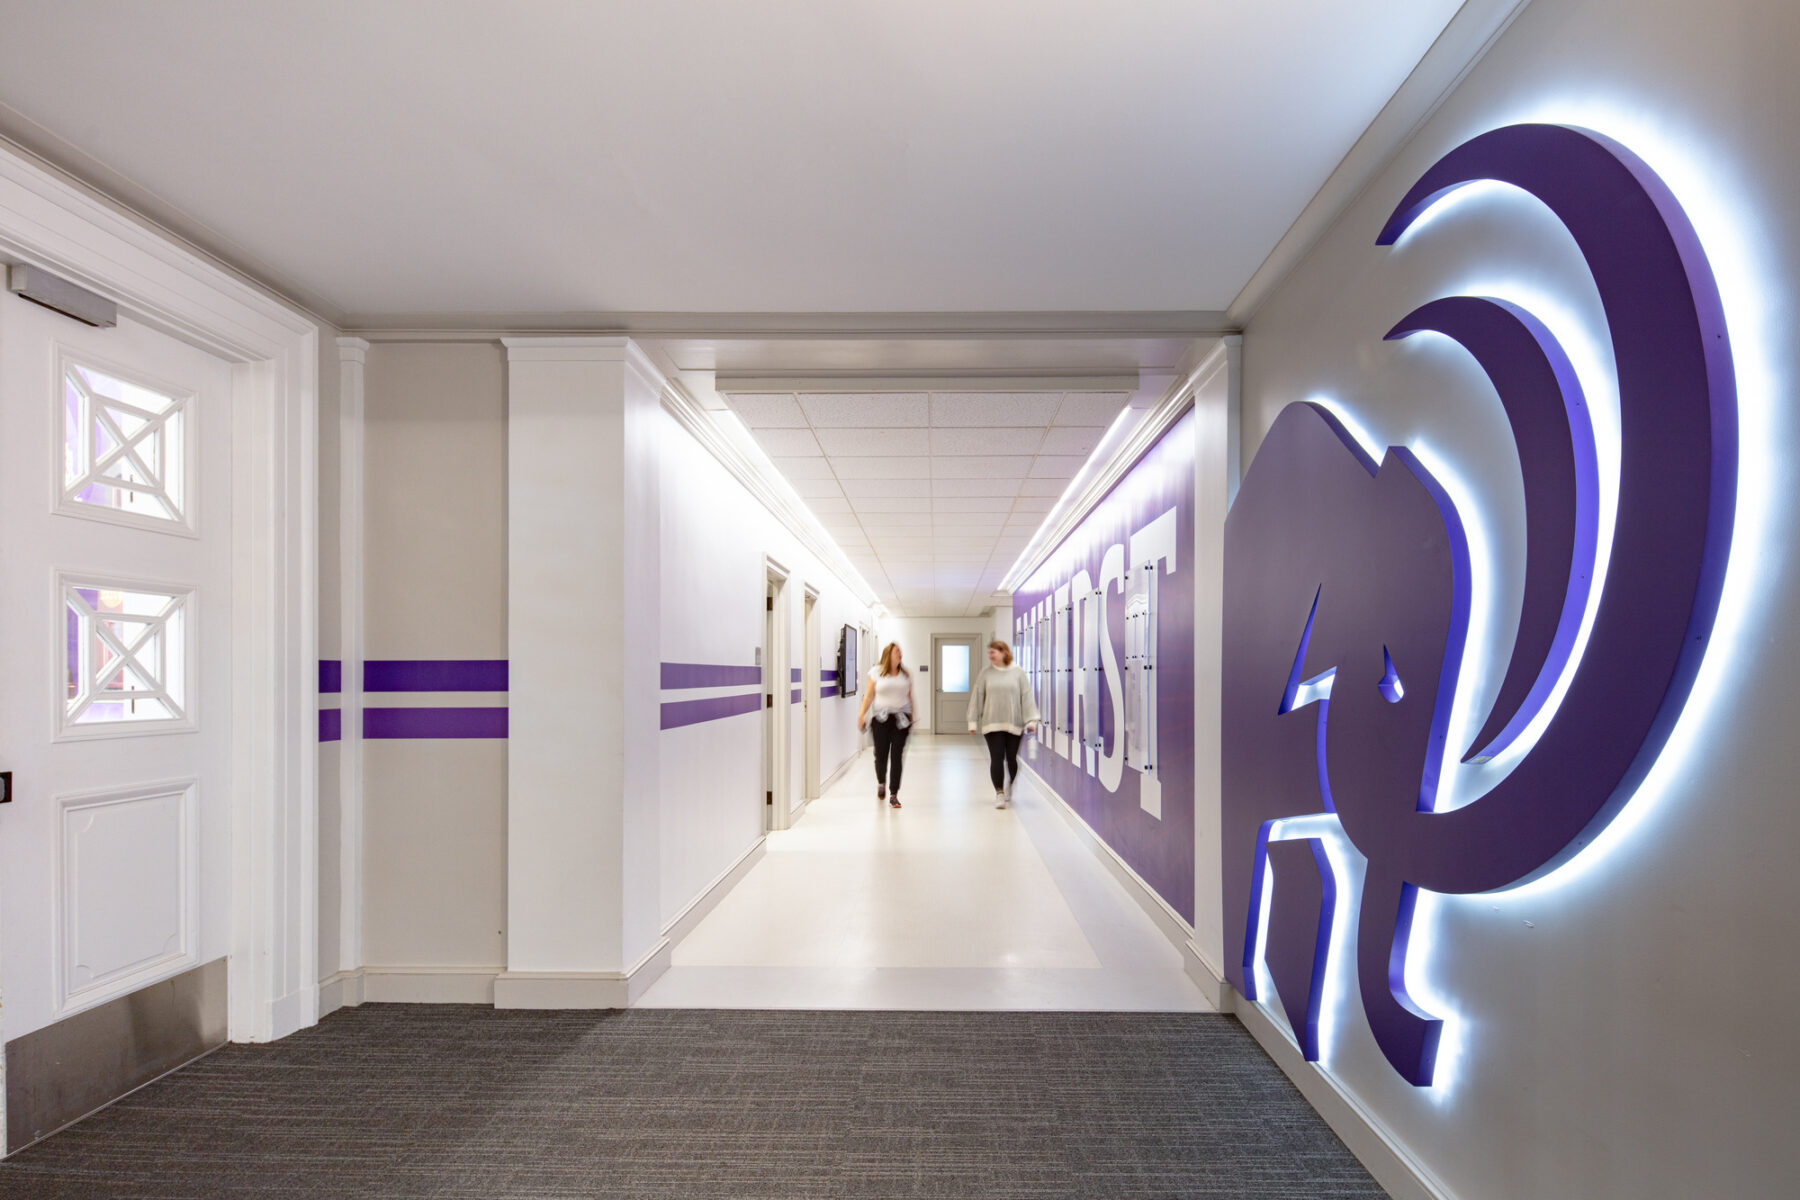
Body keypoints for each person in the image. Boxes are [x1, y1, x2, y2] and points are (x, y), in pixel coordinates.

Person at [967, 639, 1039, 808]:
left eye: (993, 652)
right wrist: (972, 720)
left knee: (1011, 759)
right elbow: (977, 696)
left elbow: (1026, 696)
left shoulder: (1018, 673)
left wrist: (1031, 720)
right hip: (991, 723)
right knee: (996, 758)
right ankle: (999, 793)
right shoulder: (986, 673)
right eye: (989, 652)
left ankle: (1010, 784)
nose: (990, 655)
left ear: (1004, 652)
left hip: (1014, 723)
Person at [857, 642, 914, 809]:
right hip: (880, 720)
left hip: (901, 720)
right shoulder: (875, 672)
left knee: (897, 757)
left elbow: (910, 697)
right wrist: (861, 715)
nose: (900, 654)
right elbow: (868, 696)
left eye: (901, 652)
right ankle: (881, 782)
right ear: (888, 654)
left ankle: (894, 794)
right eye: (897, 651)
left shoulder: (905, 674)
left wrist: (912, 717)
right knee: (881, 755)